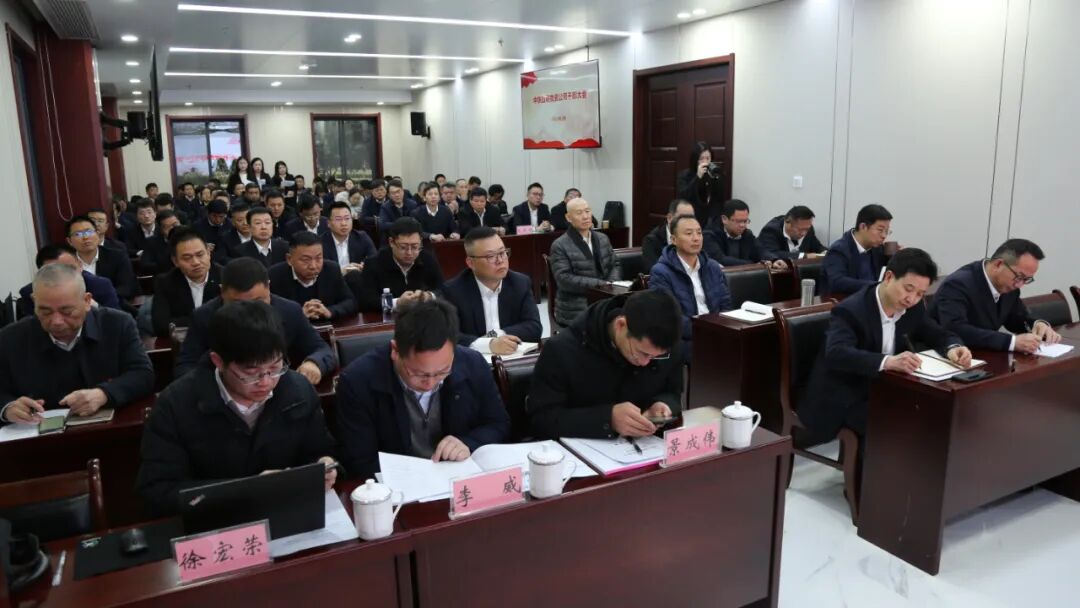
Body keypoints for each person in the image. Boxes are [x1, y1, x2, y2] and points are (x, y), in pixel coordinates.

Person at [137, 300, 337, 516]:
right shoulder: (175, 404)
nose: (266, 382)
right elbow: (158, 493)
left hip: (289, 513)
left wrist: (325, 464)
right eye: (251, 373)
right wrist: (248, 490)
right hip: (213, 521)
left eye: (275, 367)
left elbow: (320, 450)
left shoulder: (298, 390)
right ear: (218, 361)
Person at [796, 249, 973, 446]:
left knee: (934, 413)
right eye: (908, 289)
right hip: (844, 395)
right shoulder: (851, 310)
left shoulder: (913, 308)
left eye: (920, 294)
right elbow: (836, 353)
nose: (911, 299)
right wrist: (887, 362)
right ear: (889, 277)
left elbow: (937, 333)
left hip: (883, 388)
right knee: (898, 423)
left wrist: (953, 347)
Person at [335, 298, 510, 479]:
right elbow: (360, 461)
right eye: (419, 374)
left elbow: (498, 424)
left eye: (442, 372)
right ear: (395, 350)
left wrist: (468, 443)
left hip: (459, 479)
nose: (430, 383)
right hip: (399, 484)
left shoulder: (472, 364)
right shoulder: (358, 382)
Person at [0, 264, 154, 424]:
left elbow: (143, 374)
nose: (56, 321)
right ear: (34, 302)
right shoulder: (9, 339)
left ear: (87, 301)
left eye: (66, 311)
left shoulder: (117, 324)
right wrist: (7, 408)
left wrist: (104, 394)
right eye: (45, 312)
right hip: (37, 433)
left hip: (108, 429)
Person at [528, 290, 683, 439]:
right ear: (621, 325)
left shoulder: (665, 344)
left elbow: (673, 392)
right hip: (580, 451)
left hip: (645, 445)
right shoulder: (562, 350)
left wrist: (663, 405)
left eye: (656, 357)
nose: (645, 363)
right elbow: (542, 419)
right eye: (642, 353)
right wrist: (608, 419)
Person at [175, 258, 336, 384]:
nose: (249, 311)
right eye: (238, 304)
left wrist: (313, 364)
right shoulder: (204, 316)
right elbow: (185, 367)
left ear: (268, 287)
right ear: (222, 292)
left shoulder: (289, 311)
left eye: (258, 302)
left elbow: (323, 349)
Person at [930, 239, 1062, 353]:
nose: (1020, 285)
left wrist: (1037, 325)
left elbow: (1015, 318)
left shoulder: (1009, 286)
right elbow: (956, 329)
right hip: (945, 356)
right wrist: (1011, 342)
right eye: (1019, 277)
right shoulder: (958, 284)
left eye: (1026, 280)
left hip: (984, 354)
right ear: (998, 264)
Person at [440, 227, 542, 354]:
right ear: (471, 263)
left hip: (513, 356)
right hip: (474, 359)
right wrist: (489, 345)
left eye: (502, 252)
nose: (500, 260)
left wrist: (497, 335)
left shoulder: (520, 283)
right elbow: (448, 335)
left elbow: (534, 327)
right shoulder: (453, 291)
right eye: (490, 256)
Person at [648, 214, 733, 356]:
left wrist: (720, 330)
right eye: (689, 233)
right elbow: (669, 318)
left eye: (699, 233)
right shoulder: (661, 272)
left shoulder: (712, 267)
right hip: (686, 339)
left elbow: (726, 304)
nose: (696, 238)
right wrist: (706, 331)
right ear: (673, 240)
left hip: (716, 332)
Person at [548, 198, 620, 328]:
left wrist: (612, 283)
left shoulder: (602, 238)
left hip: (605, 298)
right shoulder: (559, 245)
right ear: (568, 217)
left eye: (587, 211)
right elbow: (564, 279)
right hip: (575, 305)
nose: (585, 216)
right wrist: (600, 285)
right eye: (579, 213)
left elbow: (615, 264)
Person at [357, 218, 445, 312]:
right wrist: (397, 303)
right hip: (388, 319)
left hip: (422, 316)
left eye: (415, 247)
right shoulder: (374, 263)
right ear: (391, 242)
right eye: (403, 247)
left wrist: (429, 296)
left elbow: (443, 290)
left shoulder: (428, 259)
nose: (409, 252)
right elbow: (366, 302)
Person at [269, 231, 357, 322]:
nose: (313, 266)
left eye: (318, 258)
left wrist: (329, 311)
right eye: (305, 260)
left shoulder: (331, 269)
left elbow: (350, 302)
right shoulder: (275, 275)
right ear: (289, 259)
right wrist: (298, 314)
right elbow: (267, 312)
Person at [151, 227, 222, 337]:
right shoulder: (165, 282)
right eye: (187, 258)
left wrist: (184, 321)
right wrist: (205, 319)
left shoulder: (226, 276)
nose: (196, 262)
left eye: (200, 255)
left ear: (208, 253)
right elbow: (161, 326)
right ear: (175, 261)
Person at [17, 244, 120, 318]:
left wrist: (95, 307)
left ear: (80, 265)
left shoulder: (100, 285)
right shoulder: (31, 292)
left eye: (69, 269)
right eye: (54, 273)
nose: (64, 277)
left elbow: (117, 320)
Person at [821, 204, 892, 296]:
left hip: (871, 298)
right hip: (845, 300)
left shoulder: (878, 248)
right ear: (863, 227)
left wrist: (897, 257)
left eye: (887, 231)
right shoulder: (839, 250)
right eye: (880, 230)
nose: (884, 236)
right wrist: (876, 286)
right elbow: (838, 282)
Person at [67, 215, 139, 299]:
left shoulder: (117, 257)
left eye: (89, 232)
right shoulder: (66, 263)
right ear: (70, 241)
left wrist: (97, 300)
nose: (85, 237)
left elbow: (127, 288)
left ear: (97, 234)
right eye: (78, 234)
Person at [641, 199, 723, 270]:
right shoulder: (651, 241)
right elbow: (654, 271)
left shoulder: (696, 237)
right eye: (683, 217)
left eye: (691, 217)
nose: (688, 222)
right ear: (669, 218)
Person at [708, 199, 781, 268]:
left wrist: (774, 260)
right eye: (738, 221)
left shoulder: (747, 234)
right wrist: (753, 265)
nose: (742, 225)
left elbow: (760, 251)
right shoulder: (710, 235)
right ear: (724, 219)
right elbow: (721, 259)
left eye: (745, 221)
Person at [676, 141, 725, 225]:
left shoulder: (715, 173)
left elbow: (719, 199)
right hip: (692, 217)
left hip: (711, 218)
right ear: (695, 160)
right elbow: (684, 196)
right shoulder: (684, 175)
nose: (705, 162)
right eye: (701, 158)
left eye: (708, 158)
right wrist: (698, 177)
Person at [757, 205, 826, 261]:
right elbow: (771, 254)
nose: (804, 233)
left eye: (807, 229)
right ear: (788, 223)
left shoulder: (808, 229)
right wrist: (804, 256)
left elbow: (817, 247)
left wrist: (825, 252)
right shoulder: (771, 230)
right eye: (800, 229)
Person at [322, 201, 376, 274]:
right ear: (328, 223)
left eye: (347, 218)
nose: (344, 223)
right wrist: (341, 272)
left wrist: (364, 266)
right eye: (338, 219)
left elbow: (374, 259)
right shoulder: (320, 243)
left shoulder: (362, 237)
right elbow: (321, 271)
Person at [137, 210, 182, 276]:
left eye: (175, 225)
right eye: (167, 227)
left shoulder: (191, 237)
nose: (173, 229)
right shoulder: (151, 242)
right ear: (161, 230)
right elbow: (145, 265)